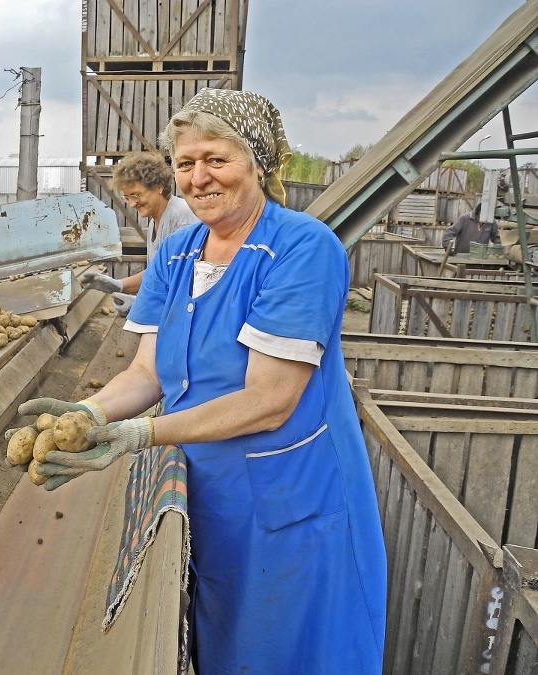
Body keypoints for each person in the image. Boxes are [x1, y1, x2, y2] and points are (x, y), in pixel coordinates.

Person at [19, 88, 387, 673]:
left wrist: (141, 435)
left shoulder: (302, 250)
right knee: (225, 645)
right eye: (185, 163)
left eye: (217, 159)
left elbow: (270, 400)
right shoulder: (178, 253)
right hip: (215, 491)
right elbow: (146, 370)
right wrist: (90, 413)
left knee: (296, 649)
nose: (198, 177)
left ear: (258, 164)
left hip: (293, 499)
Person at [80, 152, 196, 315]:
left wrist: (145, 304)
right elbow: (158, 273)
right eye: (127, 197)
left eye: (136, 195)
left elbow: (187, 282)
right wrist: (120, 285)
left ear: (159, 187)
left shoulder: (180, 217)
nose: (132, 203)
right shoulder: (156, 219)